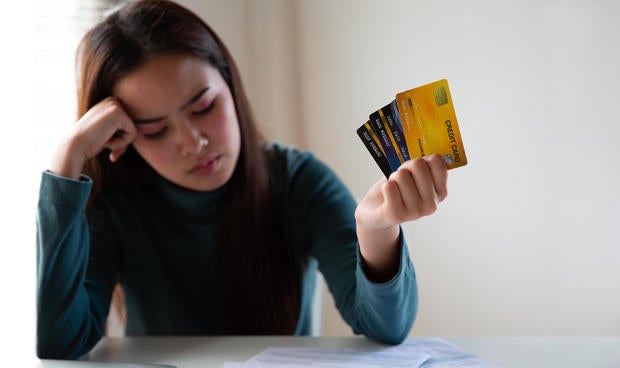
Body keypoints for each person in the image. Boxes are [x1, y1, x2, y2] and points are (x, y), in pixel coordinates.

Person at [36, 0, 449, 360]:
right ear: (123, 137)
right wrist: (67, 160)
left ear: (231, 85)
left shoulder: (297, 180)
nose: (193, 143)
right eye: (156, 130)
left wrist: (375, 231)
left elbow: (386, 329)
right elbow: (60, 344)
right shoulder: (116, 205)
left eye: (203, 106)